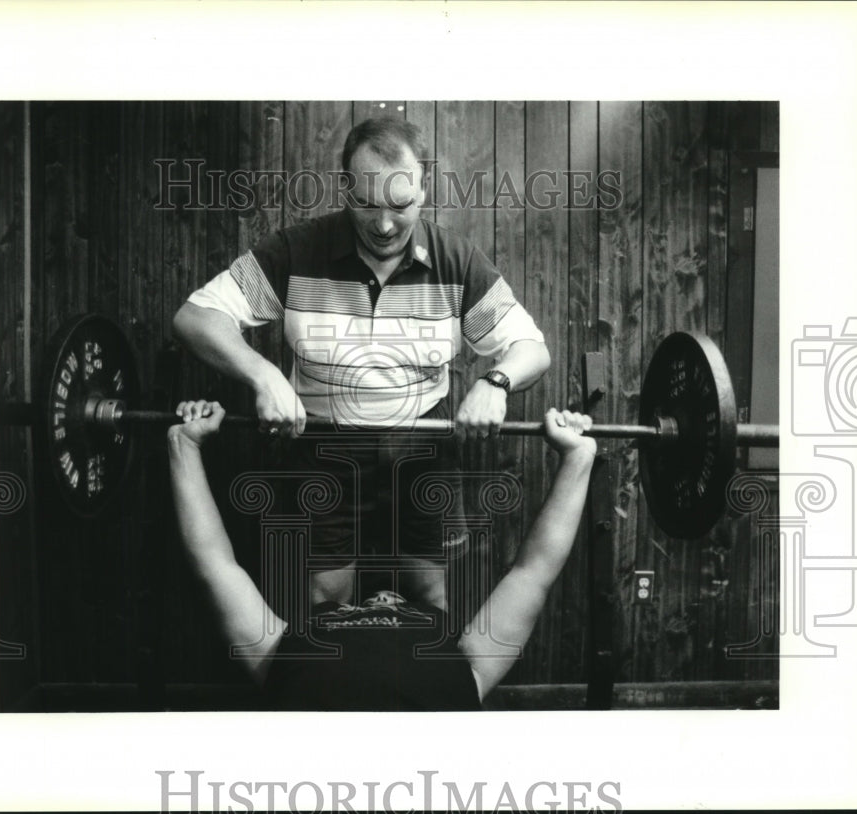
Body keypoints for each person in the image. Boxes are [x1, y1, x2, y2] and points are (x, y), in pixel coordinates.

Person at [172, 117, 550, 609]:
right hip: (323, 446)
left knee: (431, 592)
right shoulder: (296, 249)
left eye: (401, 204)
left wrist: (496, 383)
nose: (386, 224)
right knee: (325, 597)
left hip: (424, 446)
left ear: (423, 187)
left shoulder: (458, 260)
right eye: (367, 204)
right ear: (345, 187)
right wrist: (262, 374)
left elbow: (532, 349)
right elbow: (195, 317)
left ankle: (423, 685)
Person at [168, 400, 595, 711]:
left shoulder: (277, 654)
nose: (384, 594)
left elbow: (215, 565)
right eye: (394, 600)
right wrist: (577, 456)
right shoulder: (472, 666)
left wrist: (185, 447)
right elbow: (532, 572)